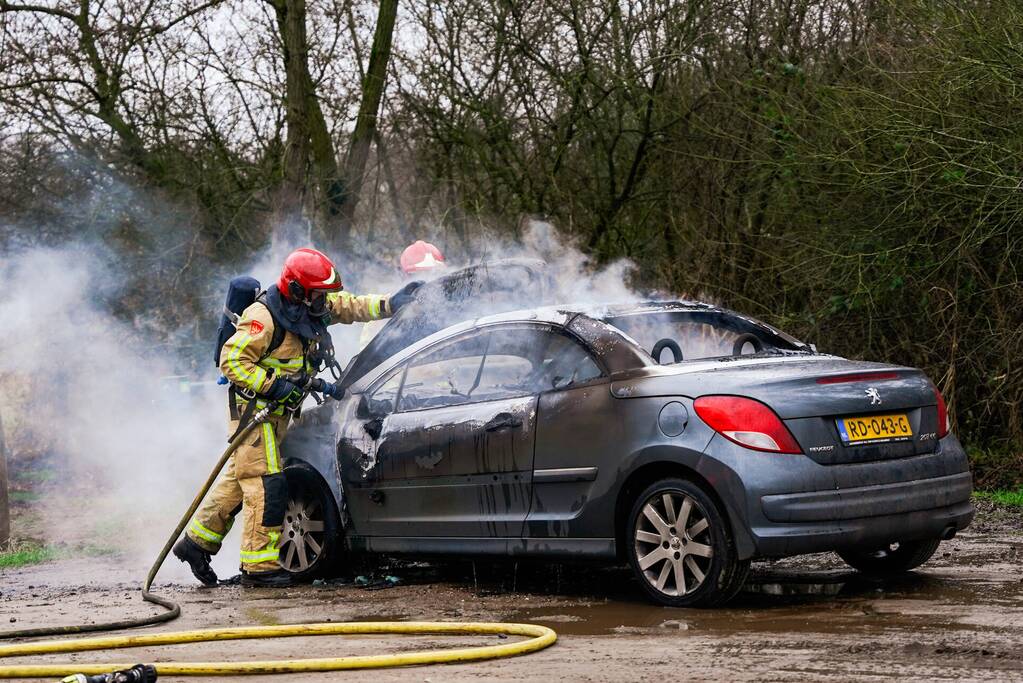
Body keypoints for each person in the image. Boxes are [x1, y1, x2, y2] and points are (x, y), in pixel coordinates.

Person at [173, 248, 421, 587]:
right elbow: (232, 361)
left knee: (239, 478)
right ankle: (258, 568)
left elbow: (350, 306)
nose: (325, 301)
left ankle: (196, 543)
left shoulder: (310, 307)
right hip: (254, 412)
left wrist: (390, 304)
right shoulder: (264, 317)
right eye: (319, 294)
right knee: (266, 484)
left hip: (278, 412)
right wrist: (273, 387)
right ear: (299, 290)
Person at [358, 240, 446, 350]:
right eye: (421, 275)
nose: (429, 282)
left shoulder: (448, 309)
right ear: (403, 277)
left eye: (434, 275)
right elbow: (367, 360)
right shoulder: (384, 314)